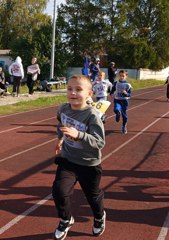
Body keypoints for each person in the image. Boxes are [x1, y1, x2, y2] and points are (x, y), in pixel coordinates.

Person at [52, 75, 106, 240]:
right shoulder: (63, 108)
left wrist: (80, 135)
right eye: (69, 89)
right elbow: (61, 124)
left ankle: (99, 217)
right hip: (68, 160)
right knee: (59, 191)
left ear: (89, 93)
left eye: (78, 89)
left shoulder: (92, 116)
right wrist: (60, 138)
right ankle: (66, 219)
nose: (73, 93)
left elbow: (99, 142)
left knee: (92, 195)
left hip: (89, 164)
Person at [110, 69, 132, 134]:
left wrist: (126, 93)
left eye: (123, 76)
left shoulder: (128, 85)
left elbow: (129, 95)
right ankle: (118, 113)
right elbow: (112, 90)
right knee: (116, 109)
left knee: (124, 115)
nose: (121, 77)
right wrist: (111, 94)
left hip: (124, 101)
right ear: (118, 76)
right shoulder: (116, 83)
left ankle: (124, 126)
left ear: (126, 76)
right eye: (120, 76)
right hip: (117, 99)